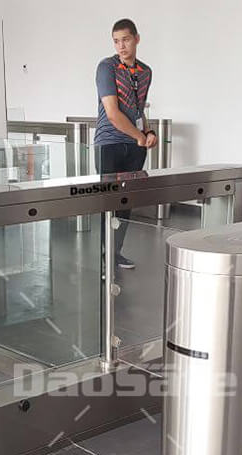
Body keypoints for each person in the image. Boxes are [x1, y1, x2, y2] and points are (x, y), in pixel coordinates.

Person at [94, 18, 156, 270]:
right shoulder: (106, 67)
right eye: (116, 41)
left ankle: (115, 253)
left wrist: (147, 131)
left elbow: (139, 110)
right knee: (109, 201)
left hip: (134, 146)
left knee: (125, 201)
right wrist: (139, 136)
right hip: (109, 143)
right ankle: (104, 254)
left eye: (126, 40)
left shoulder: (145, 72)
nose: (121, 46)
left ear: (137, 39)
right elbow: (112, 113)